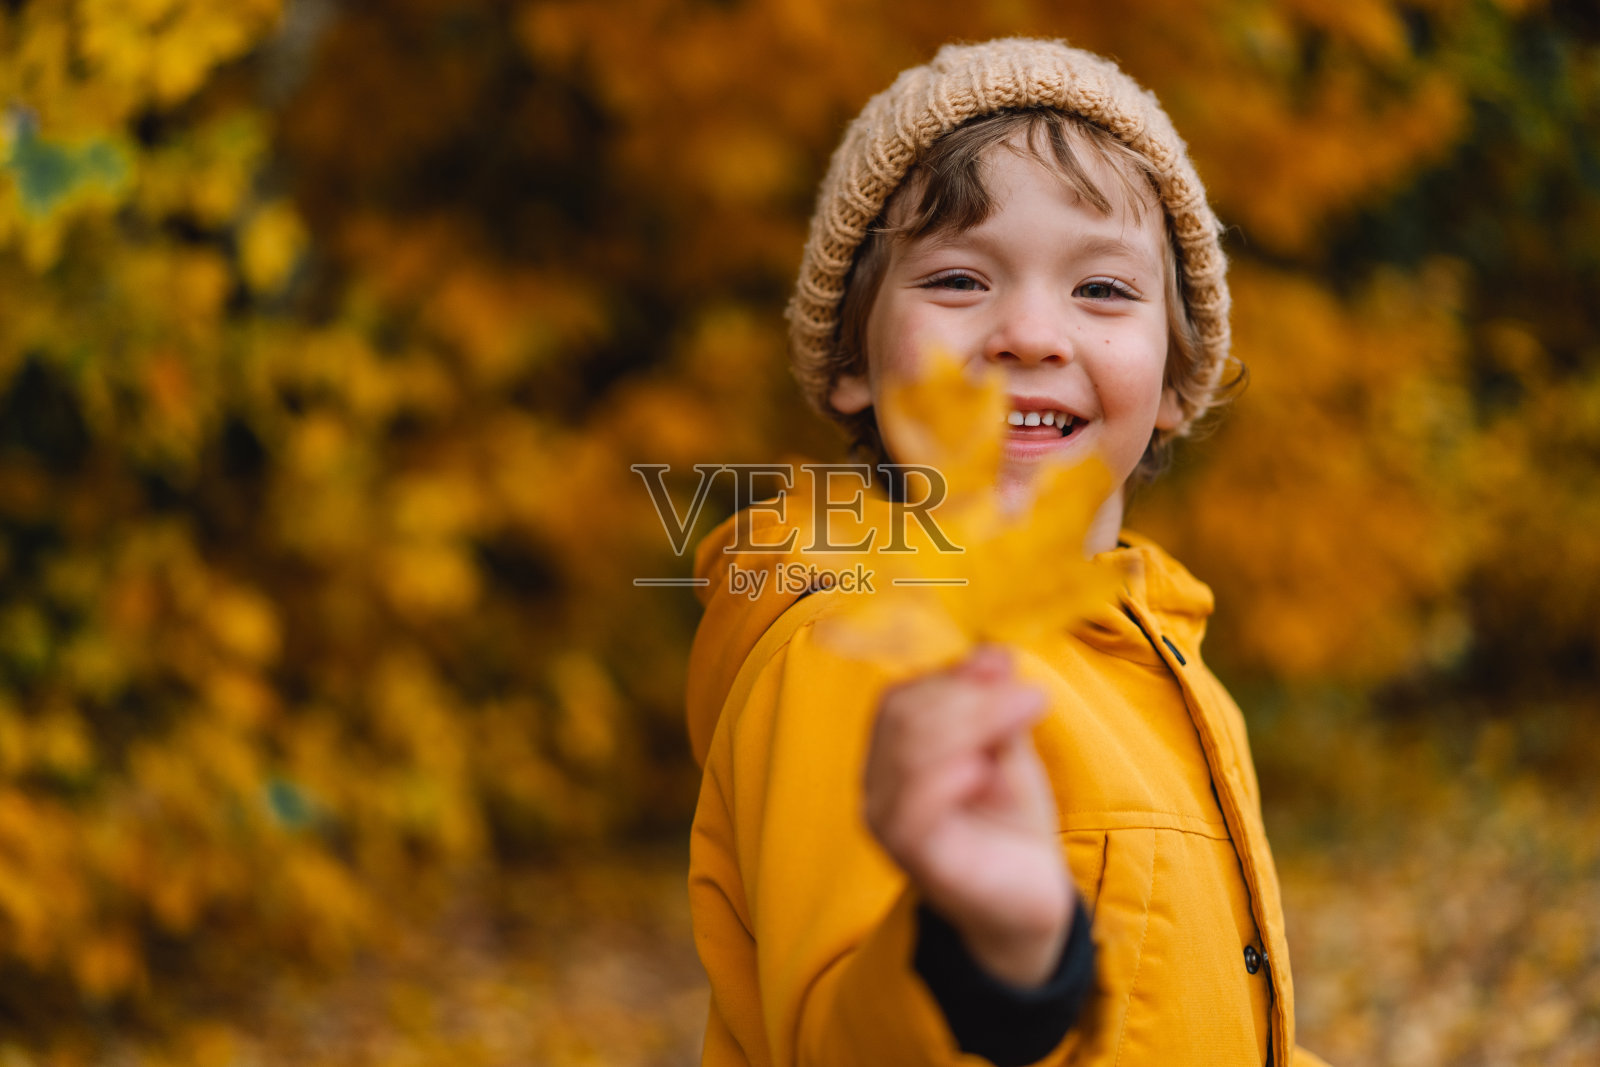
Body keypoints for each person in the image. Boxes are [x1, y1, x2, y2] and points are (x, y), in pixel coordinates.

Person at [684, 38, 1329, 1067]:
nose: (1029, 331)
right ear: (854, 358)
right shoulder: (852, 647)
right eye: (955, 277)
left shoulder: (1168, 666)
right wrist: (993, 960)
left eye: (1103, 291)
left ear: (1174, 382)